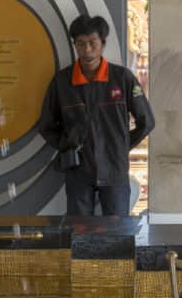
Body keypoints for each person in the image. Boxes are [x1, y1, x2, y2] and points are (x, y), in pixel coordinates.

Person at [38, 14, 154, 216]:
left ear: (103, 43)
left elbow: (147, 122)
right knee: (79, 232)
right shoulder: (62, 82)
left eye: (93, 43)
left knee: (117, 230)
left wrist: (120, 145)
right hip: (78, 171)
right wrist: (67, 145)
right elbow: (46, 126)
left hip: (114, 171)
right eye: (81, 44)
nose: (87, 50)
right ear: (74, 45)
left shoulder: (122, 78)